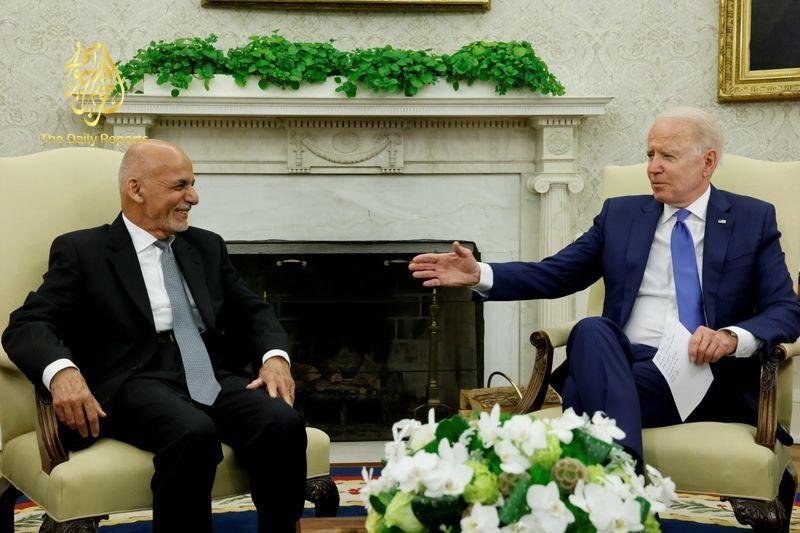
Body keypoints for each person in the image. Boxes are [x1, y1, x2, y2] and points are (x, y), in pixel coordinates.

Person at [409, 107, 800, 463]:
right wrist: (480, 274)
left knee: (582, 390)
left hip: (704, 373)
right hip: (623, 359)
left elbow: (785, 309)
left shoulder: (751, 219)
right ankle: (624, 473)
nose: (653, 167)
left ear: (707, 162)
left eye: (667, 156)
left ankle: (611, 477)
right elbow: (557, 272)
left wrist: (731, 338)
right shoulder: (622, 215)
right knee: (591, 329)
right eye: (650, 154)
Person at [2, 140, 306, 532]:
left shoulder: (206, 245)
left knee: (283, 422)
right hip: (132, 380)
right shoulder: (84, 250)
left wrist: (274, 357)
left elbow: (253, 310)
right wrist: (61, 372)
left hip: (207, 372)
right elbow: (27, 323)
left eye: (193, 184)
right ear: (136, 189)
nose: (193, 198)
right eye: (180, 186)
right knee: (193, 433)